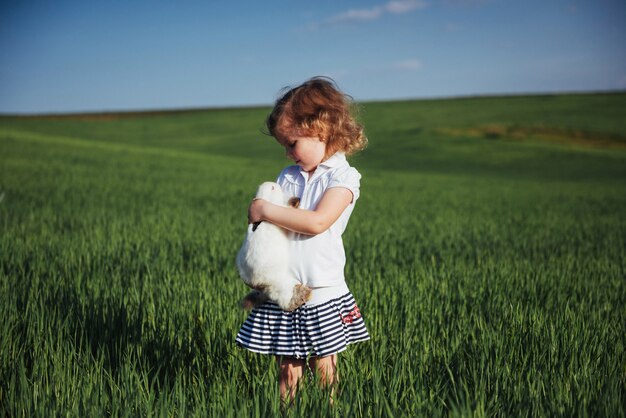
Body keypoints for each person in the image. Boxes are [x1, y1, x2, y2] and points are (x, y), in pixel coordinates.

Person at [235, 76, 370, 404]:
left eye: (292, 143)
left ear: (322, 129)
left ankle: (329, 411)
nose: (287, 152)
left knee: (324, 366)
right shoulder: (288, 176)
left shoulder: (344, 178)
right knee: (287, 368)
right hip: (286, 287)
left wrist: (265, 208)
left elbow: (317, 222)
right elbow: (272, 230)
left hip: (322, 288)